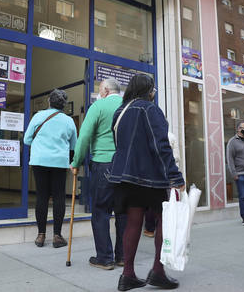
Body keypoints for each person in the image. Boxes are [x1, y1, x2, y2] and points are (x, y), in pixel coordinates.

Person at [108, 74, 185, 291]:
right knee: (163, 220)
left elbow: (118, 143)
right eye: (153, 89)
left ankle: (128, 275)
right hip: (150, 176)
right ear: (148, 90)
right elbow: (161, 145)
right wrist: (175, 176)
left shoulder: (120, 111)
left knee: (133, 222)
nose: (154, 92)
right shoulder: (150, 109)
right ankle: (158, 272)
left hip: (125, 175)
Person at [70, 78, 127, 270]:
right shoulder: (129, 106)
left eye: (99, 89)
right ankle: (122, 256)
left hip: (104, 164)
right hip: (126, 166)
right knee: (122, 211)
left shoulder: (98, 106)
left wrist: (76, 161)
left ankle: (104, 257)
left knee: (101, 210)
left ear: (104, 90)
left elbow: (84, 136)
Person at [24, 89, 77, 248]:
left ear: (49, 101)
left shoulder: (38, 116)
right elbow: (74, 145)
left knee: (42, 197)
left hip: (39, 161)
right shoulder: (68, 121)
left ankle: (41, 236)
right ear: (64, 105)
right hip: (59, 163)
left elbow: (27, 140)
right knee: (59, 197)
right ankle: (57, 236)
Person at [143, 131, 181, 237]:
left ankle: (150, 229)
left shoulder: (149, 135)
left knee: (151, 202)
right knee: (167, 200)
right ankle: (166, 227)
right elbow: (177, 158)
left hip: (152, 175)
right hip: (167, 174)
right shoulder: (171, 136)